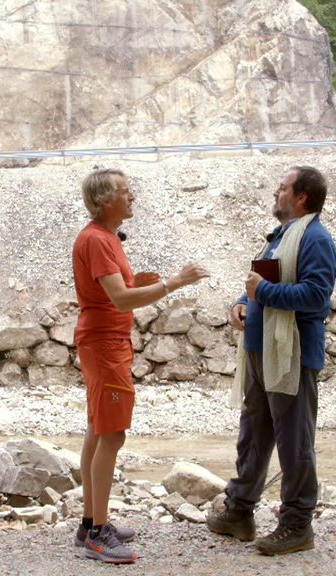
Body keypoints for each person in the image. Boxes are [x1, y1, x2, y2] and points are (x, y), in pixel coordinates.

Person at [72, 168, 209, 564]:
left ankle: (89, 523)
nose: (132, 196)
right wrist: (173, 283)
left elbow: (116, 289)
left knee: (98, 429)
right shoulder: (98, 240)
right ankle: (98, 533)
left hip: (104, 341)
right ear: (103, 201)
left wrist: (137, 282)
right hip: (105, 344)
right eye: (125, 191)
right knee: (112, 435)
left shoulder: (103, 238)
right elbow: (120, 300)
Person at [207, 166, 336, 556]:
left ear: (301, 197)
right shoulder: (280, 239)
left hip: (292, 355)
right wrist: (241, 304)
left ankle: (297, 524)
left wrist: (261, 290)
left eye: (282, 188)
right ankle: (239, 511)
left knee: (294, 439)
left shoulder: (316, 239)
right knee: (256, 431)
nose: (275, 193)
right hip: (262, 350)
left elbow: (316, 296)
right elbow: (259, 287)